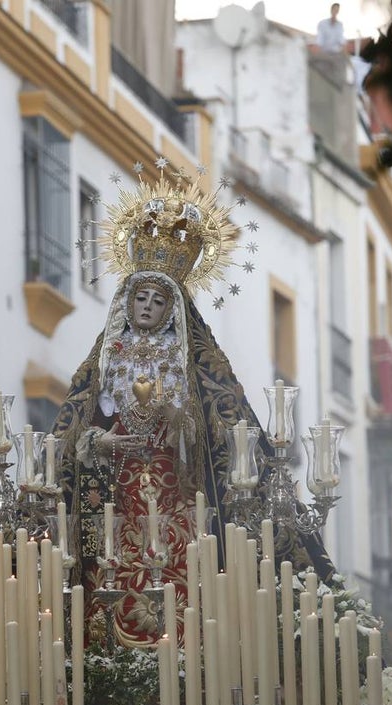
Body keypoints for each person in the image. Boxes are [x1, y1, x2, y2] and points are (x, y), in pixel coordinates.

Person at [52, 172, 334, 649]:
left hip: (177, 495)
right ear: (126, 303)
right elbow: (77, 432)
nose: (146, 307)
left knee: (183, 588)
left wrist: (176, 420)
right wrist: (99, 441)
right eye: (140, 298)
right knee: (112, 580)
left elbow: (216, 431)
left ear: (173, 309)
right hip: (115, 496)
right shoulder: (105, 362)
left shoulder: (191, 363)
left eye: (157, 300)